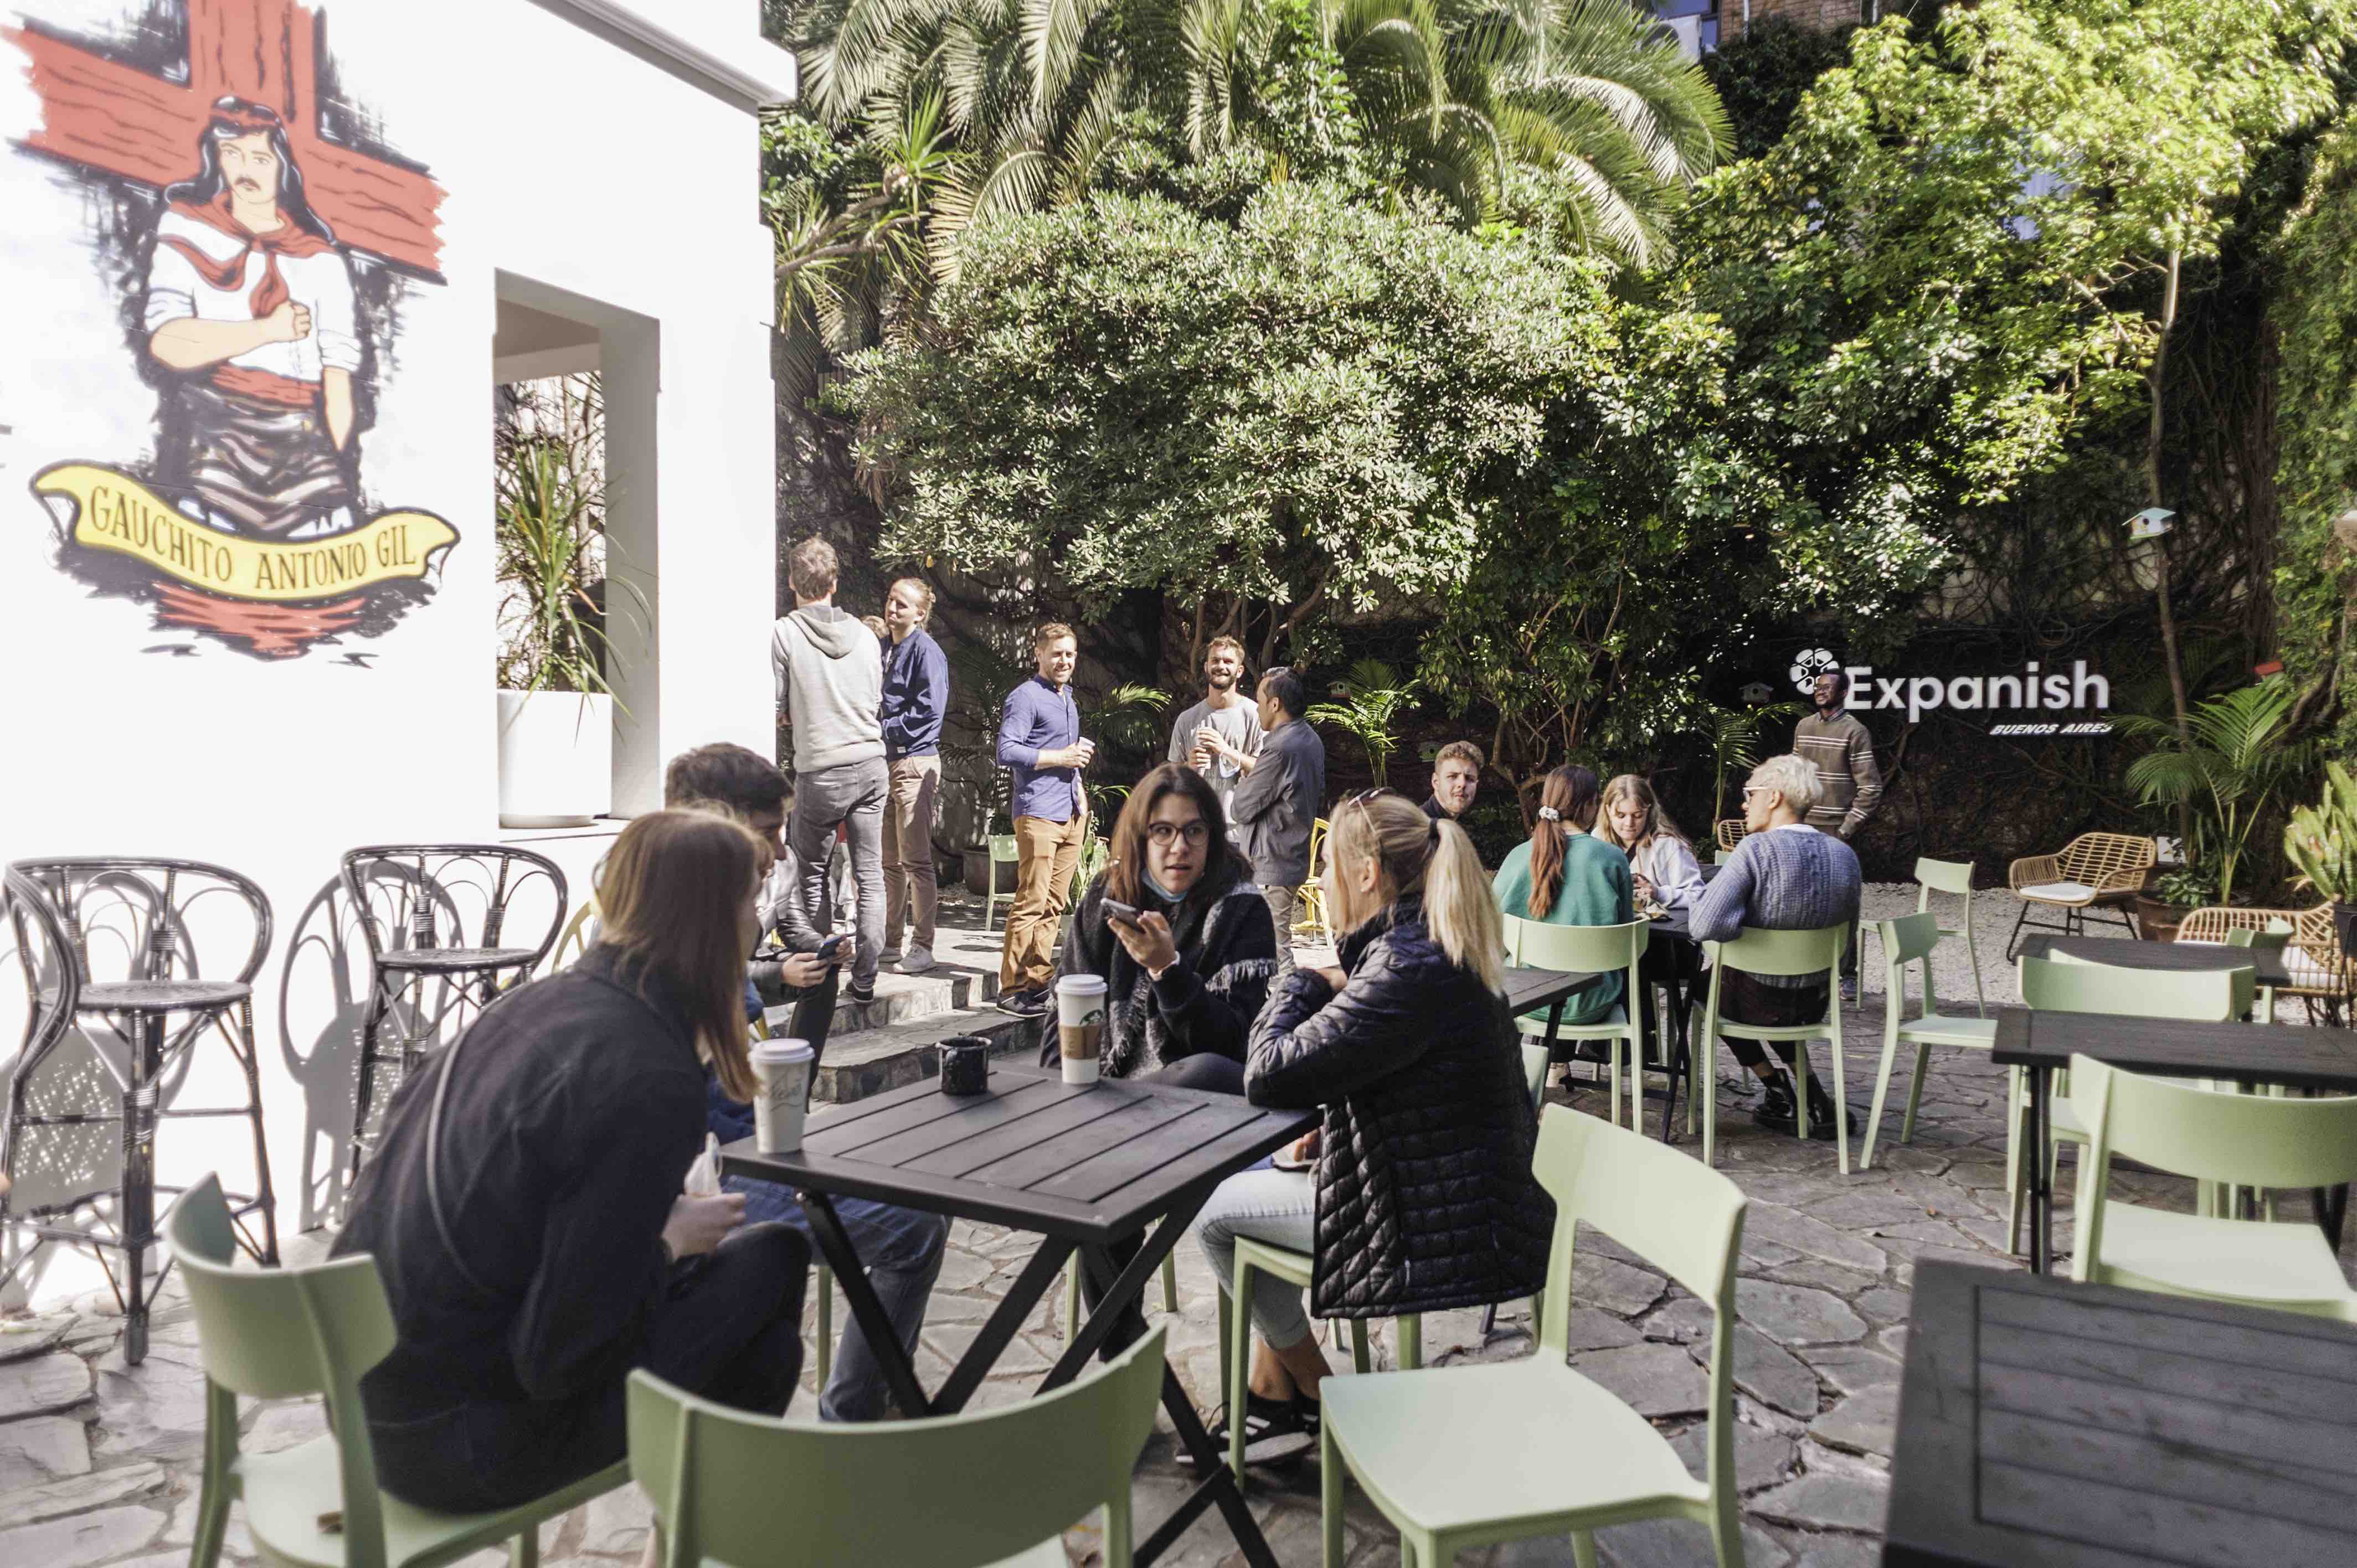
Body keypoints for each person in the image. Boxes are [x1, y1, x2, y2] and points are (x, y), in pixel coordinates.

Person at [333, 811, 809, 1514]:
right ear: (710, 921)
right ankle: (696, 1542)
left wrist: (643, 1235)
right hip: (458, 1445)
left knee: (765, 1344)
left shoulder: (537, 1004)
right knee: (774, 1261)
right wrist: (665, 1243)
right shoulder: (645, 1071)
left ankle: (689, 1543)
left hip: (368, 1408)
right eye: (750, 898)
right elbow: (559, 1356)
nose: (758, 920)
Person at [1191, 791, 1553, 1462]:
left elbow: (1266, 1074)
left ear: (1365, 874)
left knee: (1215, 1213)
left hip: (1437, 1221)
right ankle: (1274, 1394)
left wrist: (1302, 980)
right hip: (1450, 1190)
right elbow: (1403, 1081)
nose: (1320, 883)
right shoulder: (1421, 945)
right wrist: (1339, 1126)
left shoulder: (1405, 967)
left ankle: (1318, 1395)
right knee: (1251, 1174)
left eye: (1327, 867)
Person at [661, 745, 951, 1424]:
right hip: (717, 1182)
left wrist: (806, 956)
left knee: (916, 1192)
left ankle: (861, 1402)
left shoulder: (710, 916)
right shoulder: (674, 947)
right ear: (718, 827)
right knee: (914, 1228)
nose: (779, 852)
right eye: (768, 833)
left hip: (763, 1146)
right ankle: (854, 1416)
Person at [143, 97, 362, 537]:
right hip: (215, 438)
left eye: (260, 158)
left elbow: (337, 379)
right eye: (233, 154)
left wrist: (337, 459)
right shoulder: (186, 230)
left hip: (304, 448)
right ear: (217, 158)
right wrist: (266, 331)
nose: (246, 170)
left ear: (283, 166)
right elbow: (167, 342)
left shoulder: (321, 261)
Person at [1051, 762, 1279, 1095]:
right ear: (1140, 837)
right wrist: (1056, 1098)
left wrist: (1168, 970)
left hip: (1195, 1095)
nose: (1179, 847)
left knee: (1205, 1069)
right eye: (1163, 831)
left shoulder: (1241, 910)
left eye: (1194, 831)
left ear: (1212, 837)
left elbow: (1231, 1045)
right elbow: (1066, 1013)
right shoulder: (1107, 895)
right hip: (1100, 1091)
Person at [1689, 754, 1862, 1139]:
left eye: (1750, 793)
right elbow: (1848, 940)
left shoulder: (1754, 850)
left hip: (1755, 1000)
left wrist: (1732, 921)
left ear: (1774, 797)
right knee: (1768, 990)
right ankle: (1813, 1095)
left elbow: (1703, 926)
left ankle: (1775, 1087)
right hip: (1814, 1001)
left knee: (1705, 987)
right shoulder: (1845, 856)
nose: (1744, 803)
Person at [771, 537, 887, 1004]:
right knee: (871, 875)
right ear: (834, 583)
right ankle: (866, 980)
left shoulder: (784, 633)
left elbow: (776, 704)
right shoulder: (866, 635)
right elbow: (874, 700)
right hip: (871, 763)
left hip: (821, 770)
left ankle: (822, 977)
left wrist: (792, 712)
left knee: (812, 874)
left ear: (791, 582)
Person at [995, 623, 1093, 1018]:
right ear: (1039, 654)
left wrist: (1079, 789)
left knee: (1054, 904)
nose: (1064, 661)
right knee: (1031, 902)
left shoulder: (1067, 698)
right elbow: (1006, 750)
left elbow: (1070, 756)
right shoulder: (1025, 697)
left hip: (1070, 813)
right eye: (1057, 654)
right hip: (1037, 813)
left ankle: (1038, 981)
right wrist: (1060, 758)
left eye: (1070, 654)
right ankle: (1011, 989)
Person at [1491, 766, 1634, 1030]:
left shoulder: (1519, 856)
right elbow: (1626, 943)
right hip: (1593, 1000)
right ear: (1590, 805)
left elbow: (1491, 933)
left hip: (1526, 997)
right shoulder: (1612, 858)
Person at [1228, 667, 1324, 976]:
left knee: (1275, 954)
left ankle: (1290, 1003)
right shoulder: (1310, 738)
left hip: (1274, 862)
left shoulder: (1281, 748)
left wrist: (1245, 782)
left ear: (1275, 704)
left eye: (1259, 701)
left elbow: (1241, 808)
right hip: (1289, 855)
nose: (1257, 708)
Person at [1795, 669, 1882, 996]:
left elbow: (1871, 788)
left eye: (1828, 687)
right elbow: (1795, 775)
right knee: (1801, 901)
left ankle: (1848, 974)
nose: (1820, 691)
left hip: (1835, 831)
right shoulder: (1803, 727)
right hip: (1801, 828)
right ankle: (1805, 971)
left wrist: (1846, 828)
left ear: (1844, 693)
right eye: (1818, 686)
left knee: (1842, 904)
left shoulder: (1855, 731)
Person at [879, 577, 949, 974]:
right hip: (886, 764)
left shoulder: (927, 652)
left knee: (916, 862)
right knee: (889, 862)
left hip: (915, 764)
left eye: (902, 604)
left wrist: (883, 728)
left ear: (920, 614)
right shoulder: (885, 647)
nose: (892, 609)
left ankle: (923, 947)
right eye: (891, 600)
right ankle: (891, 943)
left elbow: (929, 713)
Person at [1168, 636, 1263, 832]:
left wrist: (1226, 751)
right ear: (1206, 667)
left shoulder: (1256, 715)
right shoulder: (1187, 719)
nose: (1221, 666)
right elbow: (1171, 776)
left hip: (1240, 832)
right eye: (1215, 660)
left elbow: (1266, 771)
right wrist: (1189, 767)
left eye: (1228, 661)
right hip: (1196, 828)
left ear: (1240, 671)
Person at [1594, 773, 1706, 911]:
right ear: (1608, 810)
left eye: (1638, 816)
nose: (1629, 823)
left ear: (1649, 812)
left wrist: (1658, 893)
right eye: (1621, 815)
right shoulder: (1597, 838)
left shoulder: (1668, 846)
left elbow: (1699, 896)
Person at [1421, 740, 1483, 826]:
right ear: (1436, 782)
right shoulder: (1415, 827)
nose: (1462, 784)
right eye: (1453, 776)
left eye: (1470, 779)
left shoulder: (1461, 827)